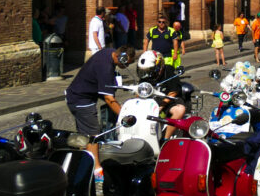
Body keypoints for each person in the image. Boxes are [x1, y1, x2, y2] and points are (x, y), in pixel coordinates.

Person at [65, 45, 135, 174]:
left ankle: (83, 163)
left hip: (81, 96)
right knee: (93, 135)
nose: (126, 67)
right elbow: (109, 99)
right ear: (121, 57)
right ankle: (96, 170)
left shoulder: (109, 52)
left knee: (84, 134)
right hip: (81, 100)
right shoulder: (105, 68)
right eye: (126, 64)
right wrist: (125, 117)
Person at [134, 50, 188, 140]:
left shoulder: (169, 70)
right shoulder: (145, 75)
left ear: (158, 66)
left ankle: (165, 139)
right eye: (145, 71)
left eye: (150, 70)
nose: (147, 74)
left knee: (180, 110)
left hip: (169, 100)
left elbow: (174, 92)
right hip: (150, 101)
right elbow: (140, 90)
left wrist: (160, 107)